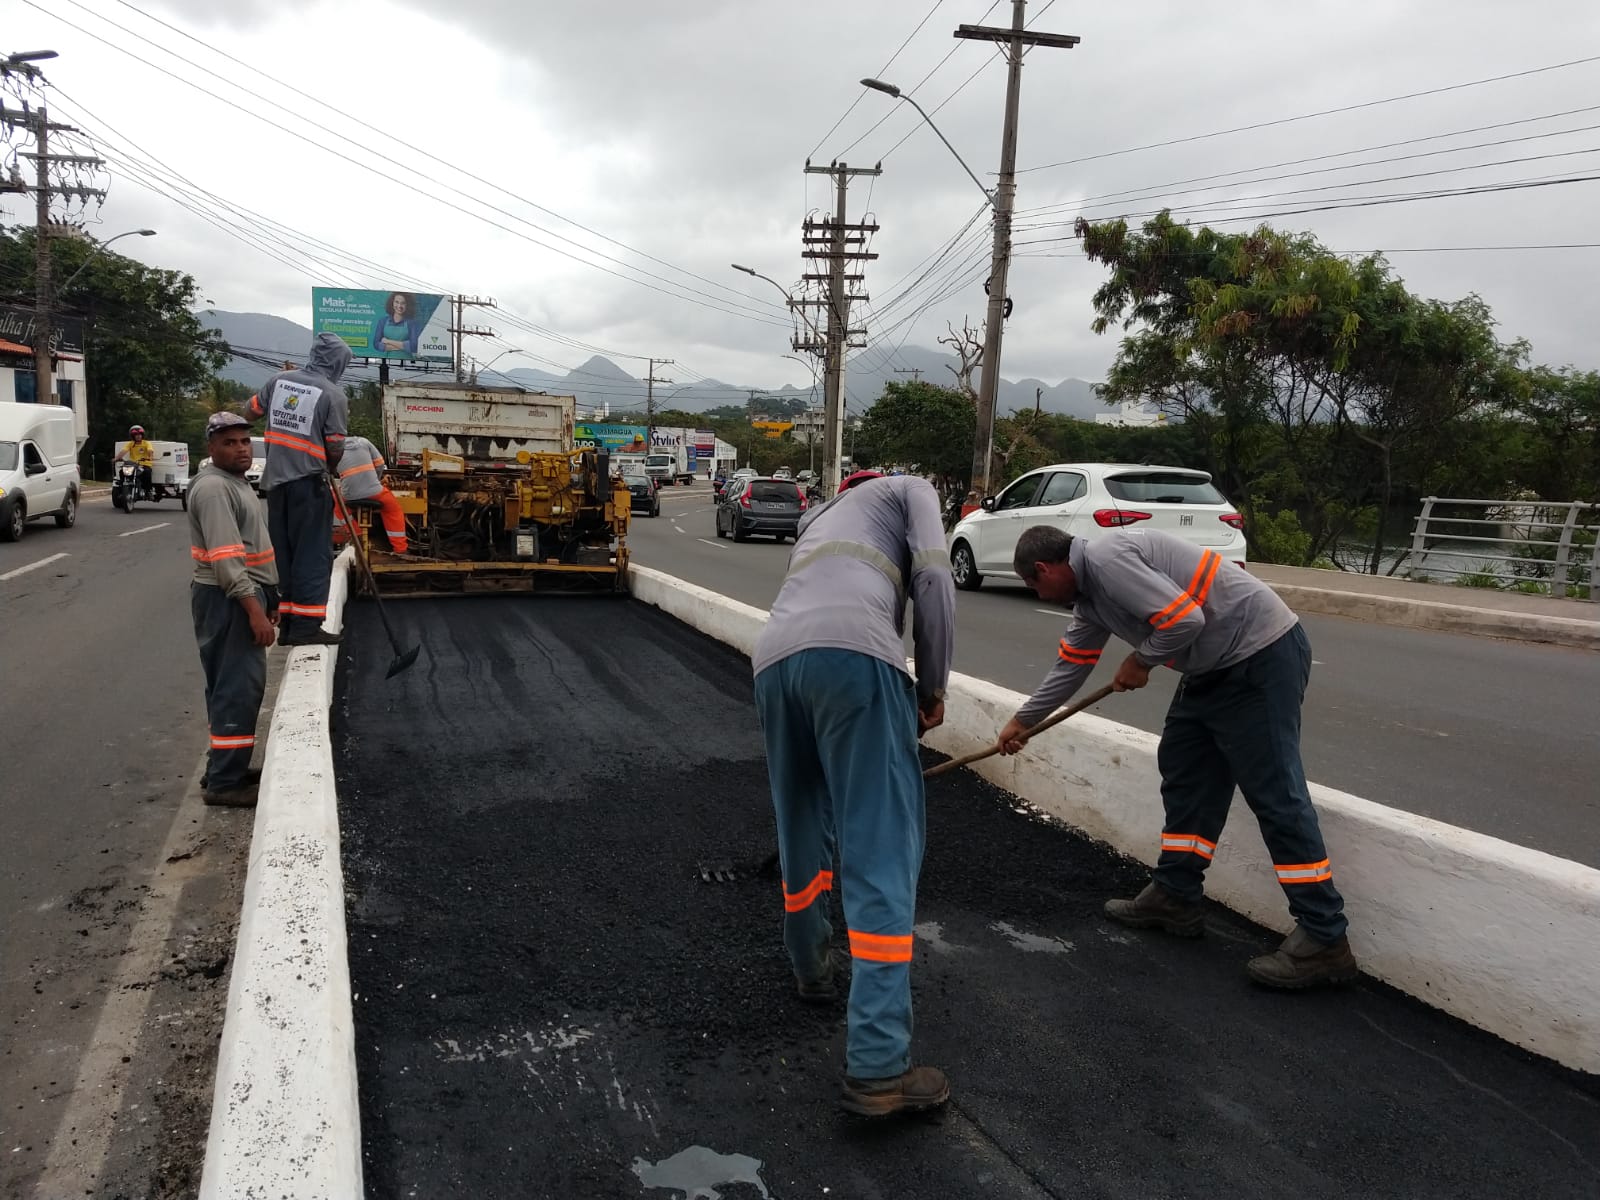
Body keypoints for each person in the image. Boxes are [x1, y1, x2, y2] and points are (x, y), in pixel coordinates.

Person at [998, 525, 1358, 989]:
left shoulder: (1108, 558)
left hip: (1258, 656)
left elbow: (1186, 620)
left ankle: (1325, 937)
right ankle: (1175, 895)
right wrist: (1023, 721)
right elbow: (1073, 664)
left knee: (1275, 794)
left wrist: (1141, 661)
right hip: (1211, 669)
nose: (1039, 595)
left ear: (1045, 568)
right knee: (1187, 774)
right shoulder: (1089, 599)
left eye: (1035, 585)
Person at [751, 469, 956, 1118]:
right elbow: (934, 580)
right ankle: (878, 1067)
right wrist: (931, 687)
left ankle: (811, 969)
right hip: (856, 659)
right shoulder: (911, 489)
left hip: (775, 664)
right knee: (881, 850)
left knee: (802, 821)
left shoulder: (818, 518)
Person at [188, 412, 278, 808]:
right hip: (228, 600)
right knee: (237, 689)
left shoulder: (236, 484)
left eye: (244, 441)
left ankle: (226, 765)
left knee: (229, 685)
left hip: (244, 595)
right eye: (230, 442)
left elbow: (253, 548)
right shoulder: (212, 489)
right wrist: (253, 610)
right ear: (211, 448)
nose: (241, 448)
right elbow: (227, 560)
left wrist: (269, 596)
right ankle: (226, 783)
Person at [245, 332, 351, 646]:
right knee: (313, 554)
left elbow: (249, 412)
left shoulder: (279, 381)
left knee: (285, 555)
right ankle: (306, 627)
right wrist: (330, 467)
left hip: (276, 485)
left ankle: (288, 624)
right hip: (309, 485)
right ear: (336, 362)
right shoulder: (333, 395)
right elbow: (335, 445)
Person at [335, 433, 408, 554]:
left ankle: (356, 534)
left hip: (349, 495)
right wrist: (377, 481)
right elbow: (380, 464)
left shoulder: (334, 449)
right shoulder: (364, 442)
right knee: (393, 509)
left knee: (337, 503)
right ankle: (400, 549)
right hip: (374, 492)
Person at [371, 292, 420, 356]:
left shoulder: (412, 323)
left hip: (407, 361)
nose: (399, 306)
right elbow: (376, 344)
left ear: (408, 305)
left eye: (403, 303)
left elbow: (414, 346)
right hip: (386, 360)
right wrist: (404, 346)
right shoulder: (383, 321)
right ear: (392, 303)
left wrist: (388, 341)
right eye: (396, 302)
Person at [115, 425, 155, 496]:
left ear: (142, 435)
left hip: (144, 464)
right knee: (122, 471)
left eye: (139, 434)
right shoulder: (131, 444)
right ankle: (122, 489)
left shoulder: (146, 443)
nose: (138, 436)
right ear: (133, 436)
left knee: (147, 473)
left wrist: (150, 456)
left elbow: (150, 450)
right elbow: (124, 451)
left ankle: (148, 491)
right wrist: (116, 458)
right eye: (136, 435)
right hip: (133, 465)